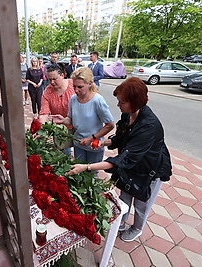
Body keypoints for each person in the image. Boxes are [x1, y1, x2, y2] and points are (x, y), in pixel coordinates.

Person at [65, 77, 172, 242]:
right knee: (125, 195)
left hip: (150, 169)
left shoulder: (148, 126)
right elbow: (120, 138)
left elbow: (124, 159)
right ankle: (121, 222)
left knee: (142, 203)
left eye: (122, 102)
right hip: (132, 163)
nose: (118, 105)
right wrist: (102, 142)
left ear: (135, 102)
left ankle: (137, 228)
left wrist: (86, 167)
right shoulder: (128, 115)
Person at [49, 67, 115, 164]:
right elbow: (72, 119)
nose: (76, 90)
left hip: (94, 146)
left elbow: (110, 125)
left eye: (80, 87)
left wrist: (91, 138)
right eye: (74, 86)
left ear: (89, 84)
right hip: (78, 144)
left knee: (92, 175)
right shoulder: (73, 99)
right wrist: (63, 120)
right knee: (79, 173)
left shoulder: (98, 101)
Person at [39, 63, 76, 154]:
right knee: (63, 154)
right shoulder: (47, 92)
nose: (52, 82)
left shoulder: (74, 85)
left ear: (62, 75)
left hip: (78, 126)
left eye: (55, 79)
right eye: (49, 80)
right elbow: (44, 113)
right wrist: (42, 129)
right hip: (60, 129)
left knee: (80, 155)